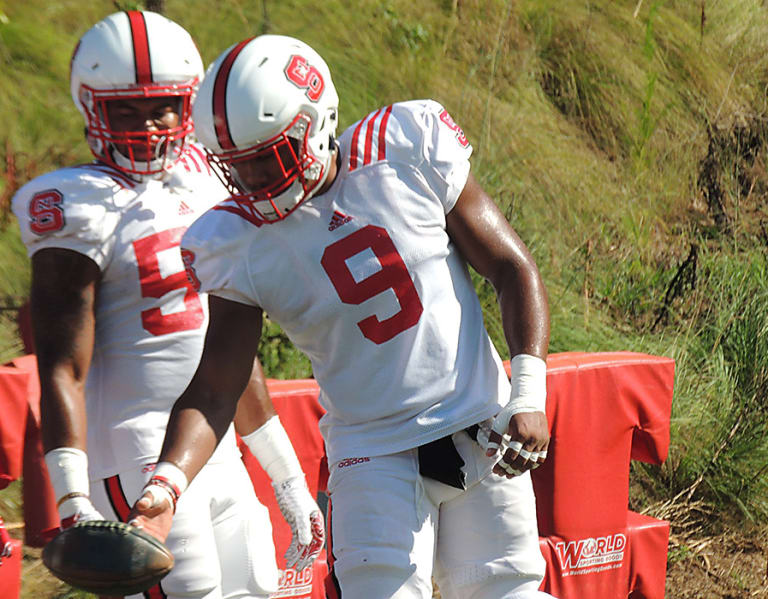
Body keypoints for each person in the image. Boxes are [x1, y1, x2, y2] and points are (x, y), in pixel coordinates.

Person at [131, 34, 556, 599]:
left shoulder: (403, 147)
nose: (253, 184)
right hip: (369, 450)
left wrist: (528, 392)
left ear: (316, 120)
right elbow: (215, 386)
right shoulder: (232, 240)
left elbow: (511, 267)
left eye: (265, 159)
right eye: (237, 168)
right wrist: (167, 484)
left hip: (480, 420)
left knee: (509, 593)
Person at [12, 15, 323, 599]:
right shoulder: (75, 205)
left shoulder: (206, 179)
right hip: (132, 458)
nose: (147, 128)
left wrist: (286, 478)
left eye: (161, 108)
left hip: (215, 448)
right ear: (90, 108)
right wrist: (73, 500)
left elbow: (228, 353)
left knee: (260, 590)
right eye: (123, 111)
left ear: (190, 105)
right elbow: (61, 366)